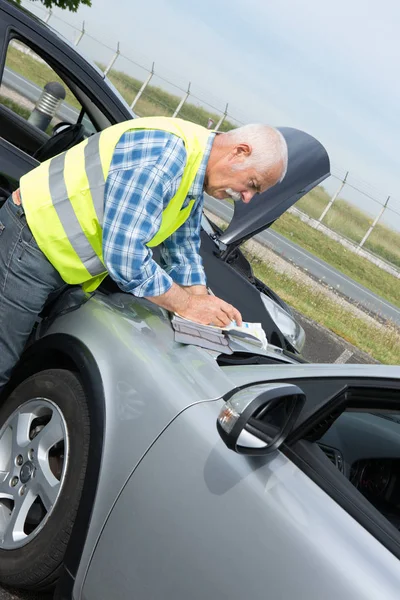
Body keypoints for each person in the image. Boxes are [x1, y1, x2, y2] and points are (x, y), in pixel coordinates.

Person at [0, 116, 288, 392]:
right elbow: (126, 257)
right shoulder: (166, 156)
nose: (247, 198)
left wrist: (202, 300)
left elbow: (182, 247)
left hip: (58, 254)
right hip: (32, 240)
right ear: (239, 152)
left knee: (26, 360)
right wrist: (186, 305)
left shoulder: (194, 165)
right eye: (253, 185)